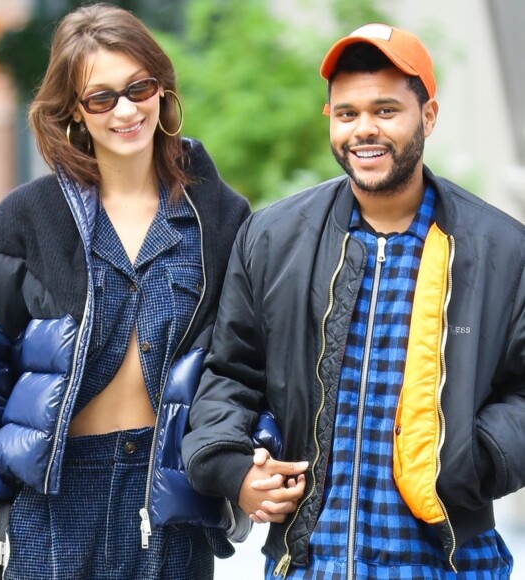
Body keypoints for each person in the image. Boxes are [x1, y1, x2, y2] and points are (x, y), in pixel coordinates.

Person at [183, 22, 525, 579]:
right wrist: (233, 468)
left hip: (450, 565)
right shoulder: (272, 239)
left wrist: (472, 457)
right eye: (347, 114)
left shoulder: (503, 251)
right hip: (308, 564)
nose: (364, 130)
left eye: (386, 110)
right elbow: (230, 374)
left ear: (428, 117)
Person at [0, 3, 251, 579]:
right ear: (74, 114)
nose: (126, 109)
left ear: (162, 88)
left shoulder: (220, 217)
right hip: (50, 502)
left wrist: (238, 469)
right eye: (101, 98)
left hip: (168, 504)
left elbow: (247, 360)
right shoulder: (31, 218)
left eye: (139, 87)